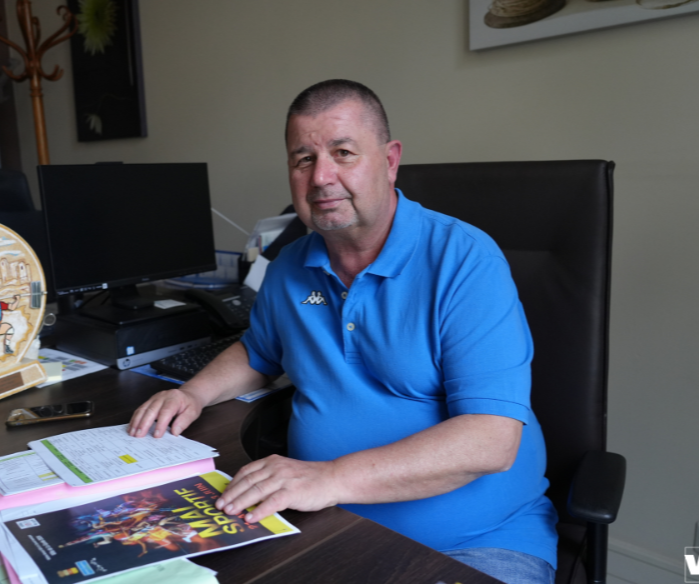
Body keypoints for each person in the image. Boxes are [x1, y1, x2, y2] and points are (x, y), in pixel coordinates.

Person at [129, 80, 558, 584]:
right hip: (324, 528)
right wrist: (193, 394)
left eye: (343, 153)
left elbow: (490, 440)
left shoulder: (464, 261)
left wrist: (332, 477)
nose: (321, 177)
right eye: (303, 159)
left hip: (474, 545)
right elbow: (259, 352)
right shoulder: (290, 266)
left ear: (390, 160)